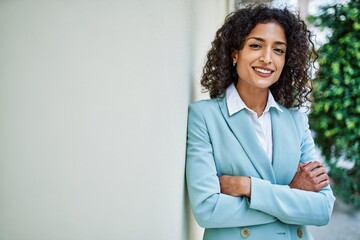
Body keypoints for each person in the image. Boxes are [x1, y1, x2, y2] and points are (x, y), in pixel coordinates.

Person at [186, 4, 335, 240]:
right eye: (256, 45)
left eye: (278, 50)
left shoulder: (296, 121)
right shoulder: (205, 116)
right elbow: (208, 209)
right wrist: (292, 193)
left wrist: (249, 187)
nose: (267, 59)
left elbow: (322, 208)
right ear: (235, 53)